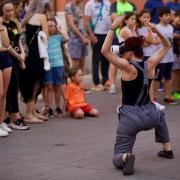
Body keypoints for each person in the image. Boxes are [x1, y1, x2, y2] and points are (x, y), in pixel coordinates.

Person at [101, 16, 174, 175]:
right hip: (150, 115)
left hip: (130, 118)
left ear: (130, 53)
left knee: (117, 156)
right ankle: (167, 149)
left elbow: (104, 51)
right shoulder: (151, 63)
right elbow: (167, 45)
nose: (121, 53)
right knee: (160, 114)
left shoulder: (127, 67)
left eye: (123, 50)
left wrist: (113, 27)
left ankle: (126, 157)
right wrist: (156, 30)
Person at [1, 0, 29, 130]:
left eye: (12, 10)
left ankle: (9, 116)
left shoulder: (14, 23)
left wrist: (22, 55)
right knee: (9, 89)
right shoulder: (2, 24)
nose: (10, 13)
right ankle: (12, 116)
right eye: (7, 11)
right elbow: (8, 46)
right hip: (9, 58)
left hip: (17, 58)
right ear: (2, 11)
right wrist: (18, 56)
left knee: (15, 87)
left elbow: (17, 41)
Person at [21, 0, 49, 123]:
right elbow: (46, 36)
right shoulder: (42, 17)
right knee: (36, 82)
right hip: (38, 55)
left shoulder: (27, 18)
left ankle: (32, 112)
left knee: (30, 82)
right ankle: (29, 114)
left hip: (28, 55)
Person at [137, 9, 165, 110]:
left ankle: (152, 100)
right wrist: (150, 33)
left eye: (148, 17)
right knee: (145, 79)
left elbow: (158, 40)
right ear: (139, 18)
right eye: (144, 17)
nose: (146, 19)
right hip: (144, 56)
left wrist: (151, 40)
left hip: (153, 55)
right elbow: (147, 41)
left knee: (152, 78)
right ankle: (145, 101)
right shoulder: (139, 29)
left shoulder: (154, 26)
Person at [109, 0, 136, 94]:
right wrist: (124, 21)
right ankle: (112, 85)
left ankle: (129, 84)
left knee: (127, 64)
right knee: (114, 63)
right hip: (117, 39)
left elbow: (134, 18)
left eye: (134, 19)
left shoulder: (131, 5)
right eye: (132, 19)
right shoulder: (114, 5)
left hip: (127, 44)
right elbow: (116, 20)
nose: (134, 20)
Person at [43, 17, 69, 118]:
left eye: (53, 26)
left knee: (58, 86)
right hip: (48, 65)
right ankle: (50, 107)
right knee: (49, 86)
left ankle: (57, 106)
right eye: (50, 26)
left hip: (59, 65)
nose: (52, 28)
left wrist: (60, 30)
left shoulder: (58, 37)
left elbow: (66, 38)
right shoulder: (44, 38)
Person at [151, 7, 177, 105]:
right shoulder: (156, 28)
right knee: (157, 78)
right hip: (160, 58)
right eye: (166, 15)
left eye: (169, 15)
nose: (169, 17)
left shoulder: (171, 27)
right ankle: (153, 97)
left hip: (169, 57)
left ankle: (167, 96)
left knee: (168, 77)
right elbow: (153, 41)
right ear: (160, 17)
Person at [84, 0, 111, 91]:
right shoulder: (90, 4)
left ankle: (105, 80)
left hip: (107, 34)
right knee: (96, 59)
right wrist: (91, 35)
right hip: (96, 35)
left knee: (106, 59)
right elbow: (86, 22)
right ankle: (96, 82)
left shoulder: (107, 3)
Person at [65, 0, 89, 71]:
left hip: (82, 38)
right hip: (74, 39)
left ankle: (80, 81)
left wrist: (85, 36)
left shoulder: (79, 6)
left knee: (82, 62)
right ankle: (72, 81)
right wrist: (82, 37)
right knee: (75, 64)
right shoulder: (69, 6)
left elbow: (81, 23)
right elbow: (71, 24)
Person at [0, 17, 12, 137]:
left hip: (5, 59)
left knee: (4, 93)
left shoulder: (2, 25)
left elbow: (7, 44)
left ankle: (1, 121)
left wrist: (2, 28)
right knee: (0, 93)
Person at [171, 10, 180, 100]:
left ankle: (178, 90)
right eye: (179, 18)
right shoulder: (171, 27)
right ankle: (174, 91)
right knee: (175, 72)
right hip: (173, 52)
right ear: (175, 16)